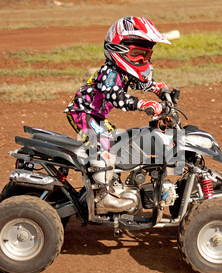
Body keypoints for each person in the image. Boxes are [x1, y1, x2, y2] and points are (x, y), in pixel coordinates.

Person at [64, 16, 171, 213]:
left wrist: (157, 89)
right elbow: (115, 96)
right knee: (102, 143)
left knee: (117, 144)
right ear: (117, 50)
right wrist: (142, 104)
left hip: (97, 116)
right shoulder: (110, 71)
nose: (141, 60)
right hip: (83, 112)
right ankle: (103, 196)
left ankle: (115, 187)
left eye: (146, 55)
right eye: (137, 54)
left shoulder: (122, 72)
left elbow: (140, 83)